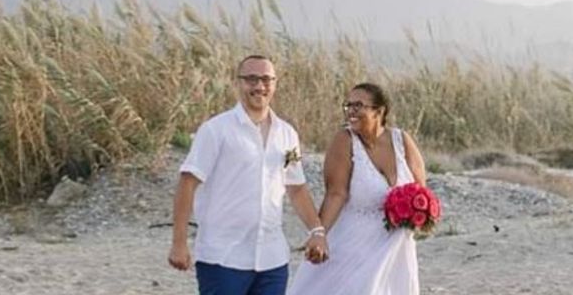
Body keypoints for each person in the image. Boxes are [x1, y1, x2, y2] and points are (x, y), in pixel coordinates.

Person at [168, 55, 329, 295]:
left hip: (272, 259)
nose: (259, 86)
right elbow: (187, 183)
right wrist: (179, 243)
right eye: (251, 79)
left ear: (275, 83)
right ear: (239, 83)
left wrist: (317, 232)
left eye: (266, 79)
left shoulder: (287, 134)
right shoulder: (216, 130)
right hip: (223, 258)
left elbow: (296, 188)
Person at [287, 82, 426, 295]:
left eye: (359, 105)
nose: (351, 111)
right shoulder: (344, 140)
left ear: (379, 111)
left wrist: (417, 215)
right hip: (354, 244)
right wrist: (319, 233)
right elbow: (336, 193)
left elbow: (421, 193)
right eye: (348, 105)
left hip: (397, 247)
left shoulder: (402, 140)